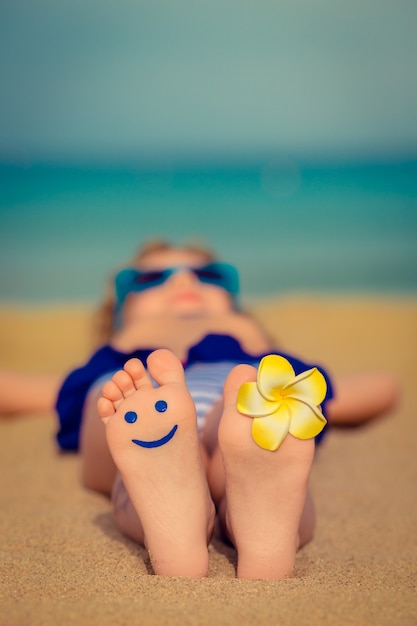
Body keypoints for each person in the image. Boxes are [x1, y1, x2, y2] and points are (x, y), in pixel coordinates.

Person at [0, 241, 399, 579]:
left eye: (209, 275)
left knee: (249, 415)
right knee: (116, 406)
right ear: (118, 317)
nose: (183, 281)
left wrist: (372, 391)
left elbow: (368, 391)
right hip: (138, 395)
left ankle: (223, 523)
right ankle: (227, 518)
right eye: (149, 279)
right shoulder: (119, 359)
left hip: (235, 394)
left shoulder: (250, 350)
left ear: (240, 309)